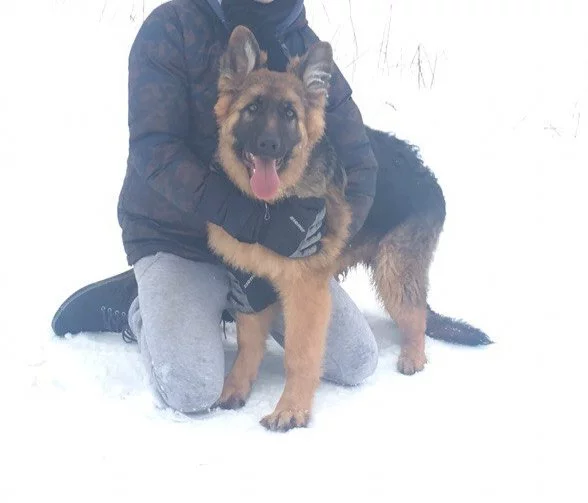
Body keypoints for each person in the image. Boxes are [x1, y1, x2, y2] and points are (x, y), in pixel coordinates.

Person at [51, 0, 380, 413]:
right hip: (177, 238)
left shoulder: (299, 40)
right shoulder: (174, 26)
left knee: (356, 359)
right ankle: (142, 304)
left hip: (270, 250)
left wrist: (322, 239)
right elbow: (155, 151)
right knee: (190, 386)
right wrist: (254, 223)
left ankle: (221, 302)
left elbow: (361, 163)